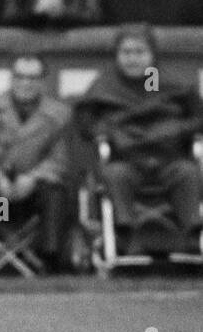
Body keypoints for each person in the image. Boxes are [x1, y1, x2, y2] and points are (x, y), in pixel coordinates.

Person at [74, 24, 203, 250]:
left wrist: (174, 128)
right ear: (117, 55)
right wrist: (112, 131)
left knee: (189, 172)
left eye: (139, 52)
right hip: (126, 161)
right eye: (126, 53)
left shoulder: (170, 84)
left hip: (169, 159)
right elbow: (86, 124)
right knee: (115, 174)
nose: (132, 59)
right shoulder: (104, 86)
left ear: (152, 55)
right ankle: (126, 235)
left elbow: (197, 117)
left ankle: (192, 235)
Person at [0, 53, 73, 273]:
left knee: (55, 193)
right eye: (20, 76)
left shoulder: (59, 114)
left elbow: (60, 160)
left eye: (32, 77)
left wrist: (33, 178)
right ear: (11, 79)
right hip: (0, 194)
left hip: (34, 191)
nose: (25, 83)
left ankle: (50, 258)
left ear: (43, 81)